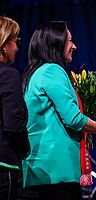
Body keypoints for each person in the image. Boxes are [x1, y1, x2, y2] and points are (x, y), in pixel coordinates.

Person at [21, 20, 96, 200]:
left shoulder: (36, 72)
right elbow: (73, 119)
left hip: (41, 170)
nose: (74, 46)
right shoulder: (52, 70)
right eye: (70, 41)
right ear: (56, 42)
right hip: (55, 170)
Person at [0, 16, 30, 200]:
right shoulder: (8, 75)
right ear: (4, 43)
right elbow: (13, 124)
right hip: (3, 166)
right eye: (15, 40)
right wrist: (25, 149)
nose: (18, 47)